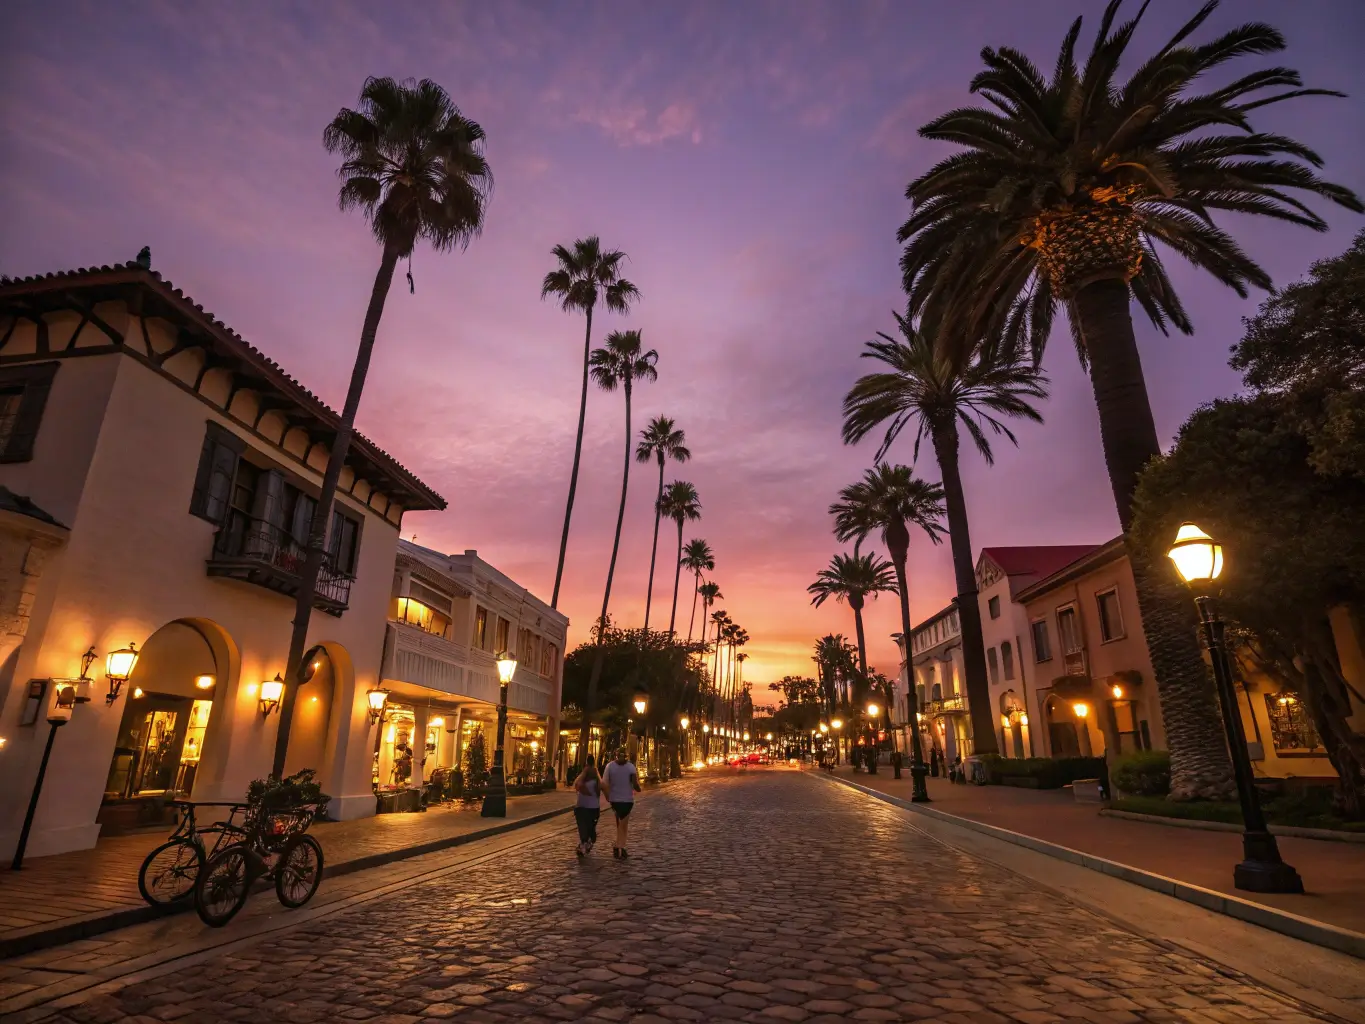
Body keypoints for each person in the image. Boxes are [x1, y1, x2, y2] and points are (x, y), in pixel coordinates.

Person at [601, 747, 641, 859]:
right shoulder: (630, 767)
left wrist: (607, 796)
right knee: (623, 824)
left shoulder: (610, 766)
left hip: (617, 800)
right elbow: (635, 783)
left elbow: (604, 783)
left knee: (620, 823)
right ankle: (621, 847)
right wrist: (639, 789)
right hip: (626, 800)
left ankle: (618, 846)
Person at [572, 755, 603, 857]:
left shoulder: (584, 775)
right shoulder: (597, 778)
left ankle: (584, 844)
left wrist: (584, 790)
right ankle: (586, 843)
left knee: (583, 828)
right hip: (594, 808)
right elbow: (603, 787)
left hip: (582, 807)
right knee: (589, 828)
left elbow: (577, 785)